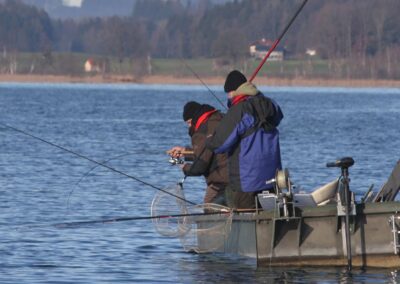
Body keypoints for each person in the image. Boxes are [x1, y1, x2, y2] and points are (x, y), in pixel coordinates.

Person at [206, 70, 284, 209]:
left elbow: (219, 144)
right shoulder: (271, 105)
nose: (228, 97)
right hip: (272, 178)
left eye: (228, 93)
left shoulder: (239, 110)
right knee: (268, 218)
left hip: (247, 181)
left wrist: (209, 140)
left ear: (233, 92)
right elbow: (279, 116)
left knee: (245, 220)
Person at [167, 101, 228, 205]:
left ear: (194, 119)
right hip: (238, 177)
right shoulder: (220, 118)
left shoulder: (202, 131)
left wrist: (182, 165)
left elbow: (199, 167)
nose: (189, 126)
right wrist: (184, 152)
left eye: (189, 123)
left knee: (209, 211)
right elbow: (210, 152)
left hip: (221, 182)